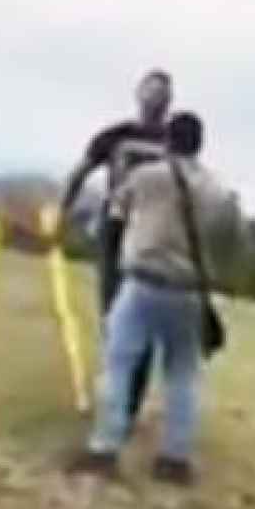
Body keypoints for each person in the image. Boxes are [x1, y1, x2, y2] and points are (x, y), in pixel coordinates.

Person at [68, 111, 242, 484]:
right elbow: (231, 243)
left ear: (167, 141)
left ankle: (105, 448)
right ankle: (174, 459)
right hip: (191, 291)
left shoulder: (145, 178)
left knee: (119, 365)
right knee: (182, 376)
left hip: (143, 283)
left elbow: (113, 217)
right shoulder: (220, 192)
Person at [55, 68, 172, 431]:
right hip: (116, 232)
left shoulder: (175, 142)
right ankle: (115, 397)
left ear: (168, 103)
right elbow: (80, 171)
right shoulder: (116, 135)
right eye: (150, 90)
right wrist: (62, 211)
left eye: (162, 93)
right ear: (138, 95)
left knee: (145, 319)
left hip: (155, 238)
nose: (155, 98)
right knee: (113, 315)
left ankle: (128, 404)